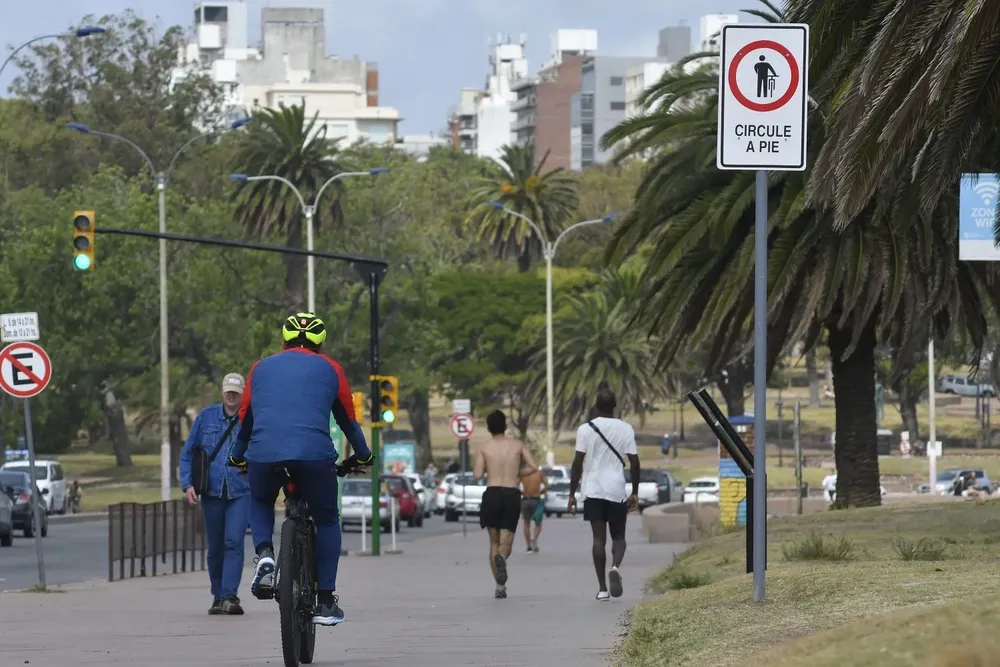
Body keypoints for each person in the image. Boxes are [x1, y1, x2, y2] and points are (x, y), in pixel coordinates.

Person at [229, 312, 372, 626]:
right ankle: (326, 601)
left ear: (284, 339)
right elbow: (348, 420)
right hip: (314, 456)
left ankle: (265, 553)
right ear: (320, 343)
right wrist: (363, 455)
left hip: (263, 454)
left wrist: (237, 457)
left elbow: (246, 418)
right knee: (327, 518)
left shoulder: (260, 367)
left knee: (261, 500)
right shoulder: (331, 368)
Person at [179, 373, 250, 615]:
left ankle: (230, 596)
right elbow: (188, 453)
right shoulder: (206, 417)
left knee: (234, 542)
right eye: (228, 391)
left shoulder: (250, 419)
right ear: (222, 391)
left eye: (236, 392)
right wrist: (187, 484)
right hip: (211, 491)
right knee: (216, 547)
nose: (231, 396)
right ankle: (218, 595)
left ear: (242, 394)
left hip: (241, 491)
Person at [568, 387, 639, 601]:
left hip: (593, 490)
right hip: (616, 489)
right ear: (615, 406)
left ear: (596, 406)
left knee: (598, 540)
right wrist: (635, 492)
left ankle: (602, 589)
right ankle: (615, 567)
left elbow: (577, 463)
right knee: (619, 537)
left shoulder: (585, 429)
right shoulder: (626, 429)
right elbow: (634, 462)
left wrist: (571, 494)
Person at [473, 409, 538, 598]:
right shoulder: (517, 445)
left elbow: (477, 474)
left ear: (488, 428)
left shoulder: (484, 448)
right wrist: (517, 472)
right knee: (505, 541)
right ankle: (502, 556)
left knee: (493, 542)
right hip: (511, 493)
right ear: (505, 426)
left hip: (492, 493)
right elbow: (534, 467)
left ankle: (500, 587)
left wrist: (489, 468)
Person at [519, 467, 547, 553]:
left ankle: (528, 546)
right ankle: (534, 538)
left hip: (525, 499)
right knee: (538, 523)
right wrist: (541, 491)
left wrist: (522, 492)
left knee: (526, 523)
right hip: (536, 499)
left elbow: (515, 485)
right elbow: (547, 485)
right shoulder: (539, 473)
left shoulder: (522, 474)